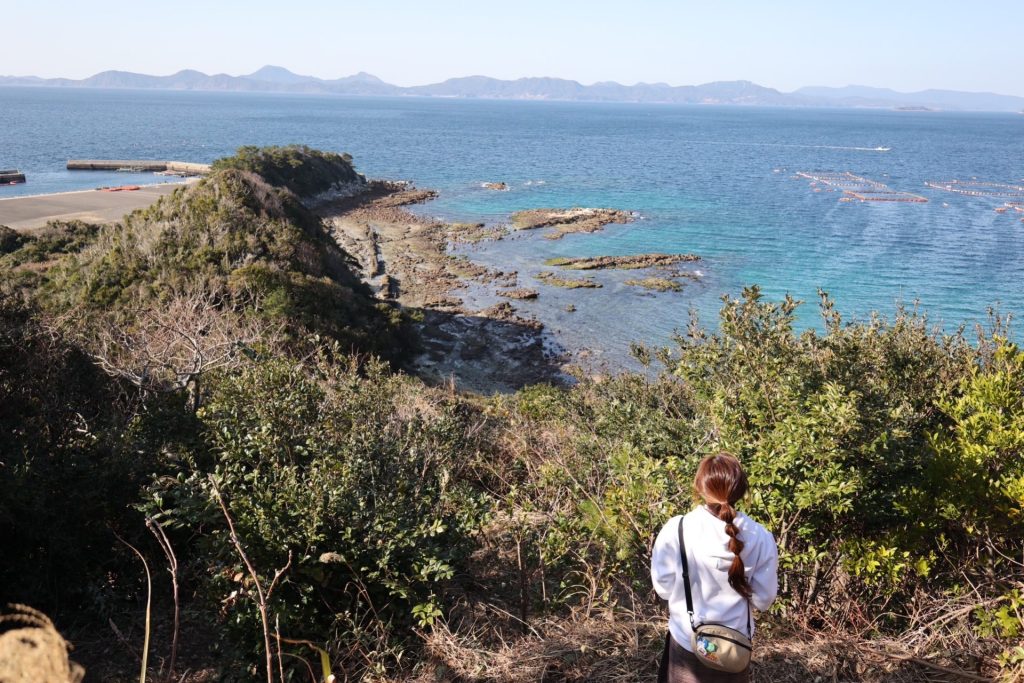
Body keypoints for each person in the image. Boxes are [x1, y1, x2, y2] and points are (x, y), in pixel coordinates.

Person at [651, 453, 779, 683]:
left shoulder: (676, 529)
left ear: (700, 487)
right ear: (741, 490)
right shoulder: (760, 536)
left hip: (686, 642)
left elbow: (663, 588)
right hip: (734, 648)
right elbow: (764, 600)